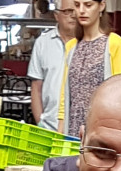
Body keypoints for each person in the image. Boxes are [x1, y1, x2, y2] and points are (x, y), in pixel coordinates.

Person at [57, 0, 121, 139]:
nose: (82, 11)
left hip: (104, 128)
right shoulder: (72, 47)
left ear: (101, 6)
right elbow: (64, 95)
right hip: (73, 128)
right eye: (77, 5)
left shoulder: (115, 44)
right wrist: (60, 130)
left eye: (88, 5)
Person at [29, 0, 77, 130]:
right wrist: (40, 122)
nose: (73, 16)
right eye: (68, 11)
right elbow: (36, 88)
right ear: (56, 15)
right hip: (50, 127)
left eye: (76, 10)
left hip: (81, 128)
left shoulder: (88, 43)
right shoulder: (42, 43)